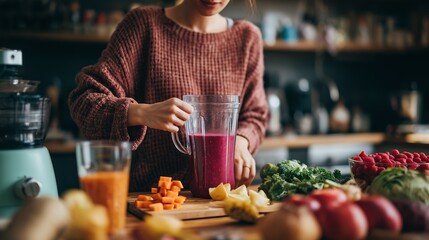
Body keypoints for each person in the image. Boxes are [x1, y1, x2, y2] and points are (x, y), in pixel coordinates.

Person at [68, 0, 268, 192]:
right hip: (150, 201)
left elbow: (256, 115)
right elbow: (84, 100)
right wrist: (140, 112)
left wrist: (241, 141)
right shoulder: (144, 25)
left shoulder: (248, 38)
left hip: (220, 202)